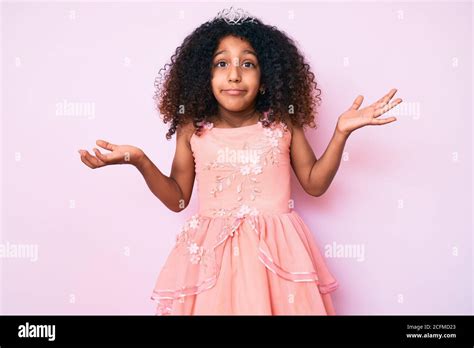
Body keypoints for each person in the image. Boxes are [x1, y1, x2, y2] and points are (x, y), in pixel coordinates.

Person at [78, 7, 402, 315]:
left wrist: (341, 133)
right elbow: (178, 200)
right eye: (221, 64)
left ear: (266, 77)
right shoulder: (193, 128)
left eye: (247, 64)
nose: (234, 75)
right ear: (204, 76)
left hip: (278, 260)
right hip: (211, 261)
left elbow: (315, 184)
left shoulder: (282, 123)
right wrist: (139, 160)